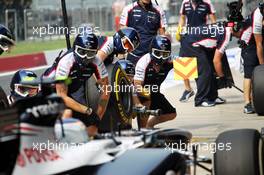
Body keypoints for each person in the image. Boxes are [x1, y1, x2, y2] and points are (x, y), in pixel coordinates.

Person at [43, 32, 110, 136]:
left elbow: (106, 91)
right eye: (82, 51)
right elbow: (62, 96)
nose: (85, 57)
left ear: (96, 53)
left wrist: (97, 117)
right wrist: (88, 111)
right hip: (49, 91)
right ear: (74, 49)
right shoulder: (66, 62)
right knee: (67, 114)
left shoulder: (97, 62)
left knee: (87, 126)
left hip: (70, 90)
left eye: (90, 53)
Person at [177, 0, 217, 102]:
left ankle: (212, 93)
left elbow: (213, 20)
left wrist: (215, 33)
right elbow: (182, 17)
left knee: (206, 65)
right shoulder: (185, 3)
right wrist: (179, 29)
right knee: (182, 61)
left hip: (202, 37)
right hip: (188, 35)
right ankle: (187, 89)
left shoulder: (207, 2)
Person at [134, 35, 176, 128]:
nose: (161, 57)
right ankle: (143, 129)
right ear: (151, 51)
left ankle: (149, 125)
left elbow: (188, 68)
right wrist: (146, 95)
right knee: (147, 101)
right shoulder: (143, 61)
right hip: (138, 93)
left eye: (164, 54)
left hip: (154, 92)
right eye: (157, 53)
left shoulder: (171, 60)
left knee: (172, 114)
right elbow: (137, 85)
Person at [230, 2, 264, 113]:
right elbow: (259, 45)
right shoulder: (258, 17)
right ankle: (247, 103)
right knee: (250, 73)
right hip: (249, 44)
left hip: (258, 41)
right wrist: (262, 67)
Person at [120, 0, 167, 65]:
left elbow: (163, 36)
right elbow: (122, 34)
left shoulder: (159, 10)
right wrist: (122, 56)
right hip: (133, 56)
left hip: (152, 57)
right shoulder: (128, 9)